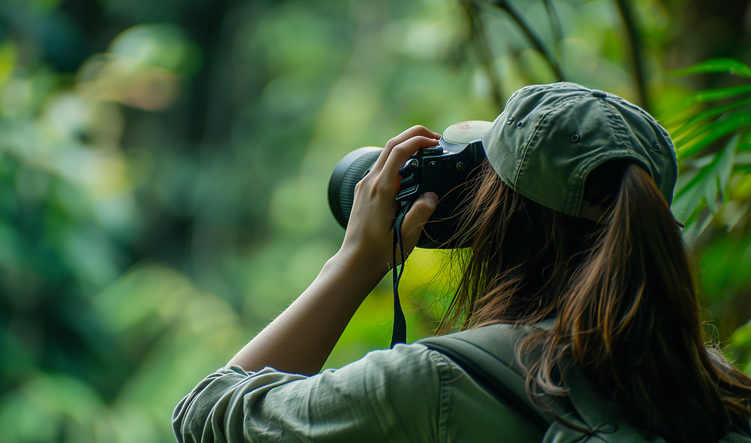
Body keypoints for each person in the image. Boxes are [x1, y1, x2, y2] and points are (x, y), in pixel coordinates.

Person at [172, 82, 751, 443]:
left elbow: (208, 418)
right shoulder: (718, 394)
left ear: (495, 217)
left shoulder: (438, 386)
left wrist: (355, 263)